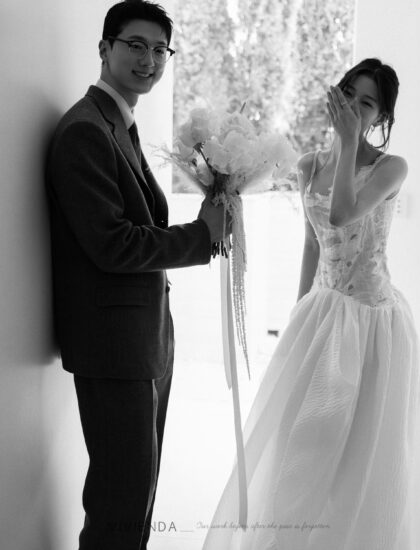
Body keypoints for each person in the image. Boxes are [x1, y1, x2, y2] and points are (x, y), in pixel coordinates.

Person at [202, 58, 420, 550]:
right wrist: (299, 312)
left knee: (359, 454)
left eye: (367, 103)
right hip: (321, 312)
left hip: (372, 324)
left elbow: (341, 213)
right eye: (348, 93)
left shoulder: (391, 168)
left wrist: (349, 143)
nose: (353, 107)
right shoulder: (309, 164)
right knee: (299, 442)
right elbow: (312, 242)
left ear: (382, 117)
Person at [45, 1, 229, 549]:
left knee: (137, 493)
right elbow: (113, 244)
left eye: (159, 49)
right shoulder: (85, 130)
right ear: (104, 48)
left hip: (143, 339)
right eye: (135, 45)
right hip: (112, 347)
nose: (149, 59)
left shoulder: (119, 122)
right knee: (119, 502)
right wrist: (203, 234)